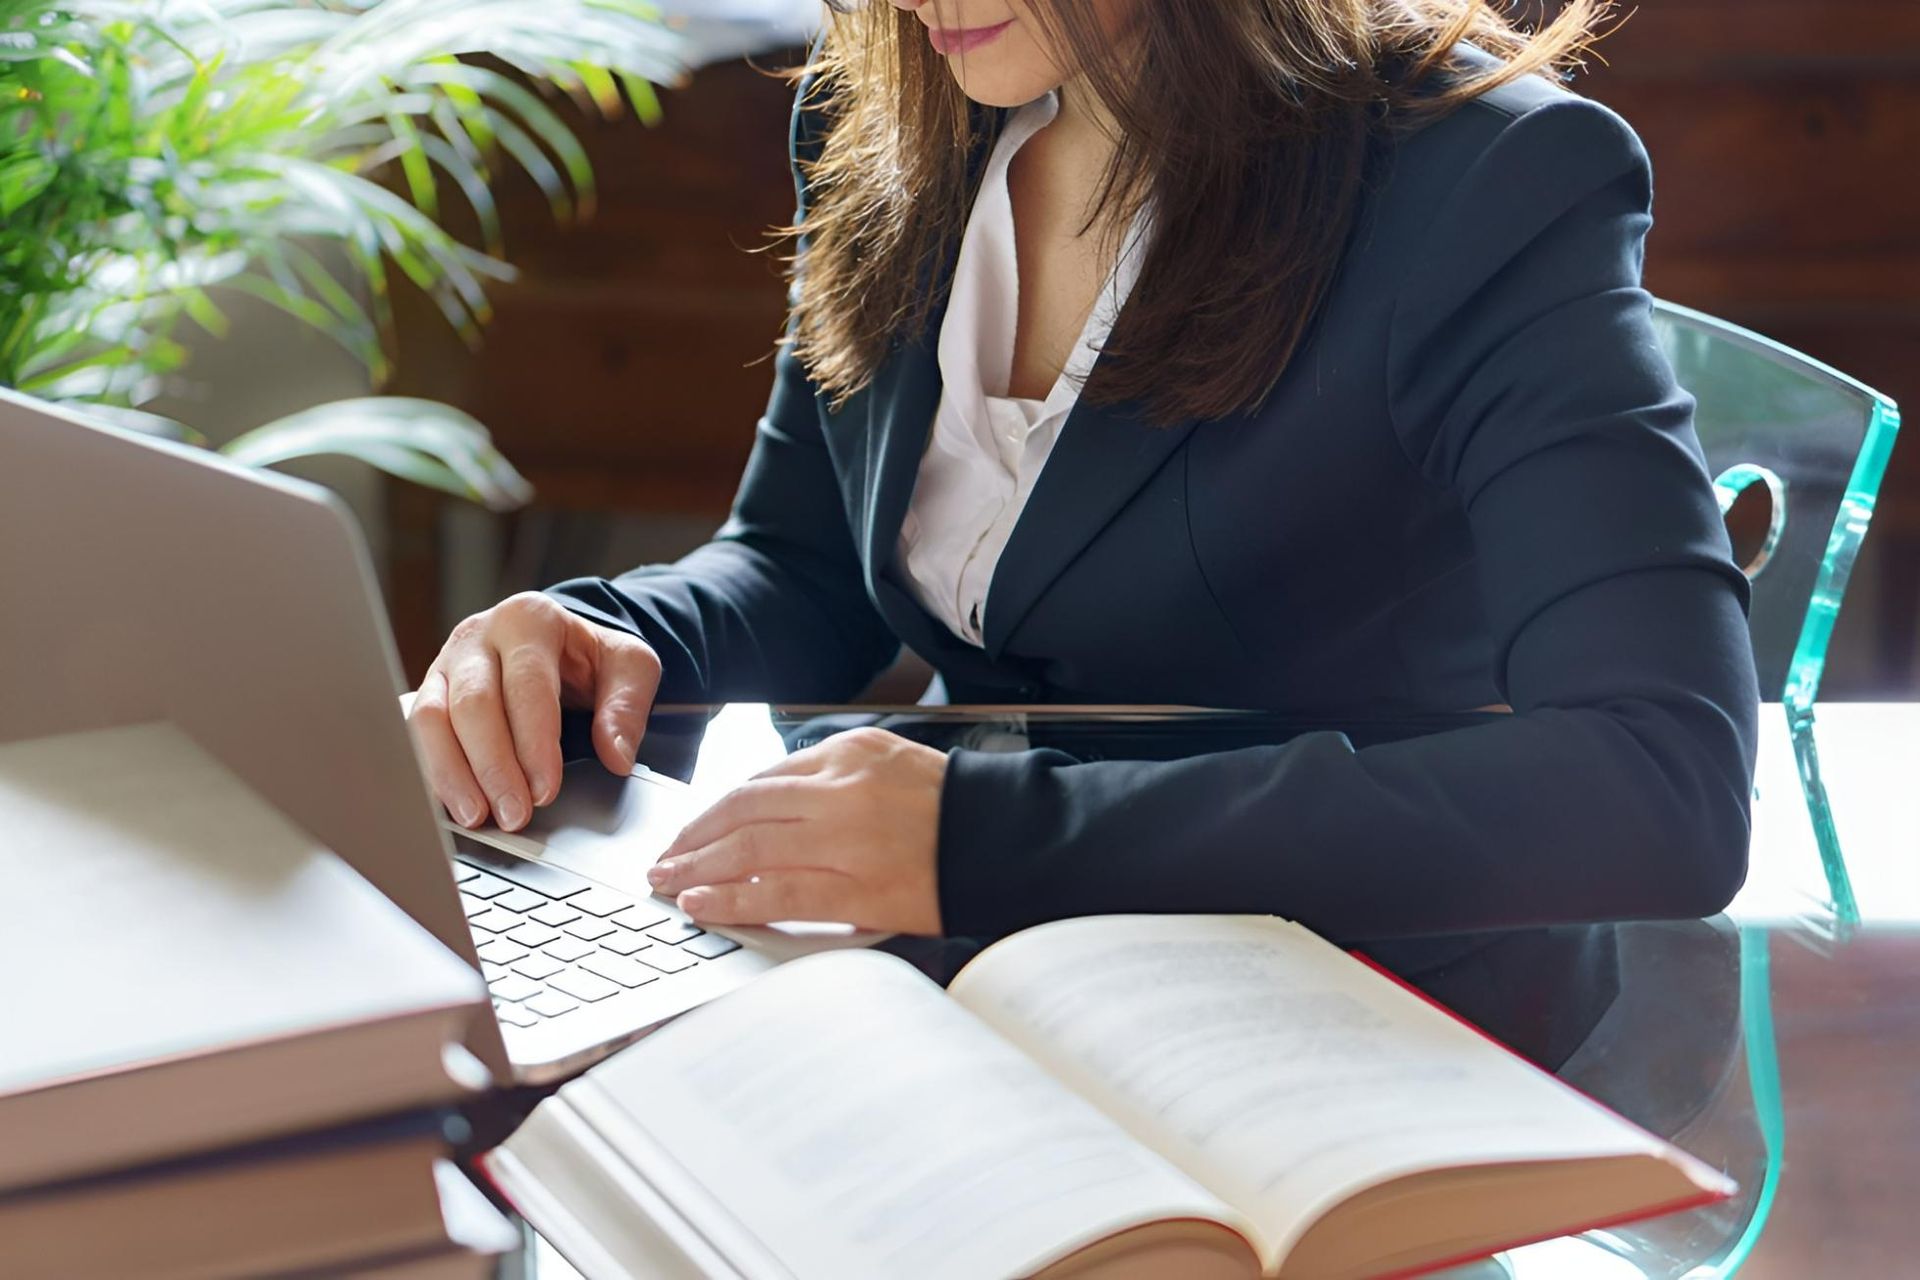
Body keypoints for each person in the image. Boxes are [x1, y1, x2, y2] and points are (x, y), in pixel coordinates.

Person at [407, 0, 1760, 951]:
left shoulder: (1484, 178)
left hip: (1348, 996)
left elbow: (1662, 786)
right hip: (950, 960)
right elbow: (807, 564)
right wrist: (606, 637)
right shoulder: (887, 108)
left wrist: (987, 841)